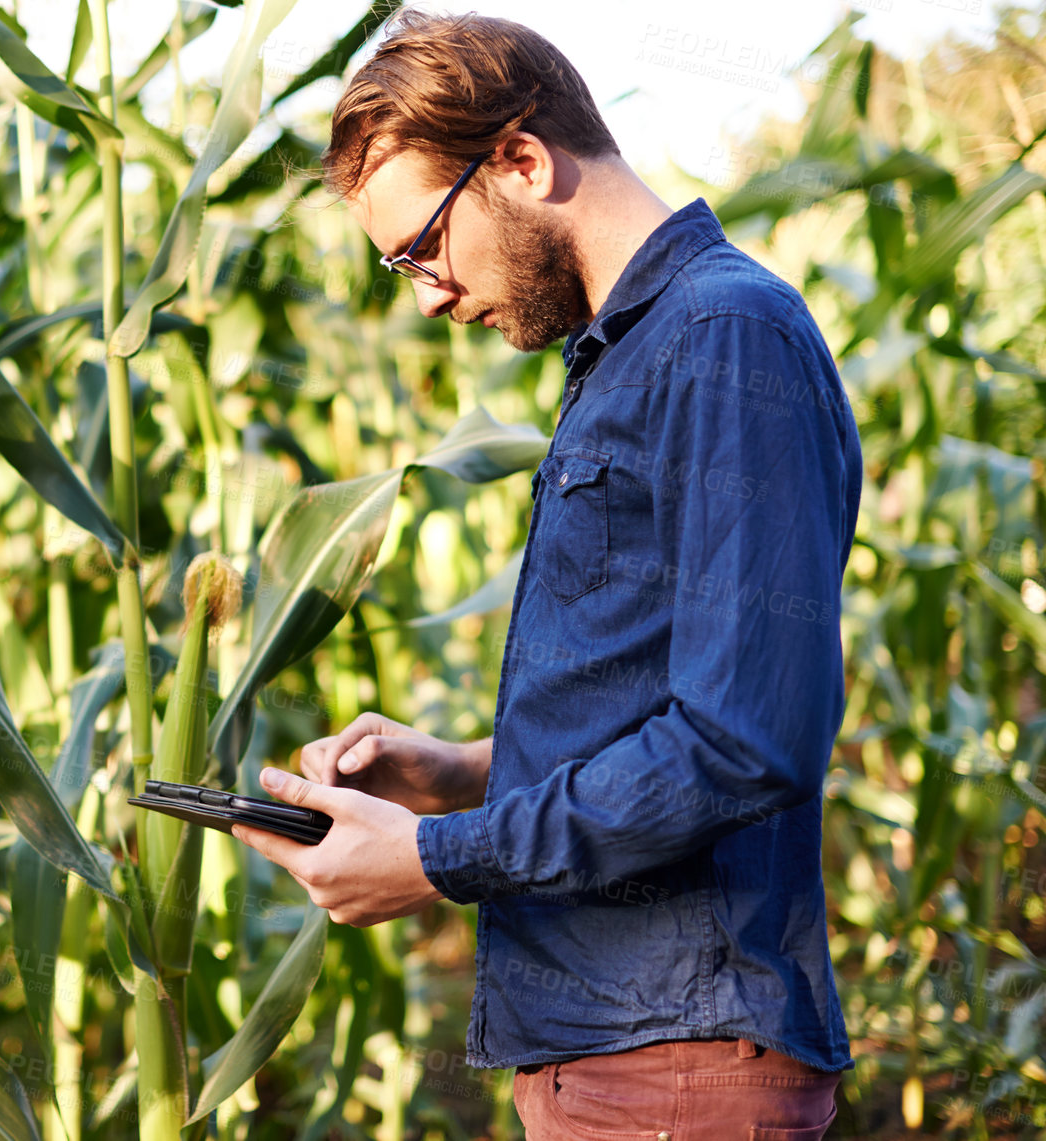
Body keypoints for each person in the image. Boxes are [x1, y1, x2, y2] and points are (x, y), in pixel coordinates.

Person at [229, 11, 861, 1140]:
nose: (423, 293)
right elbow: (669, 704)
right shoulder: (635, 351)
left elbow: (746, 737)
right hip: (618, 1055)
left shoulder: (725, 337)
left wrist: (437, 859)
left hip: (673, 1058)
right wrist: (466, 770)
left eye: (422, 246)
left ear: (520, 160)